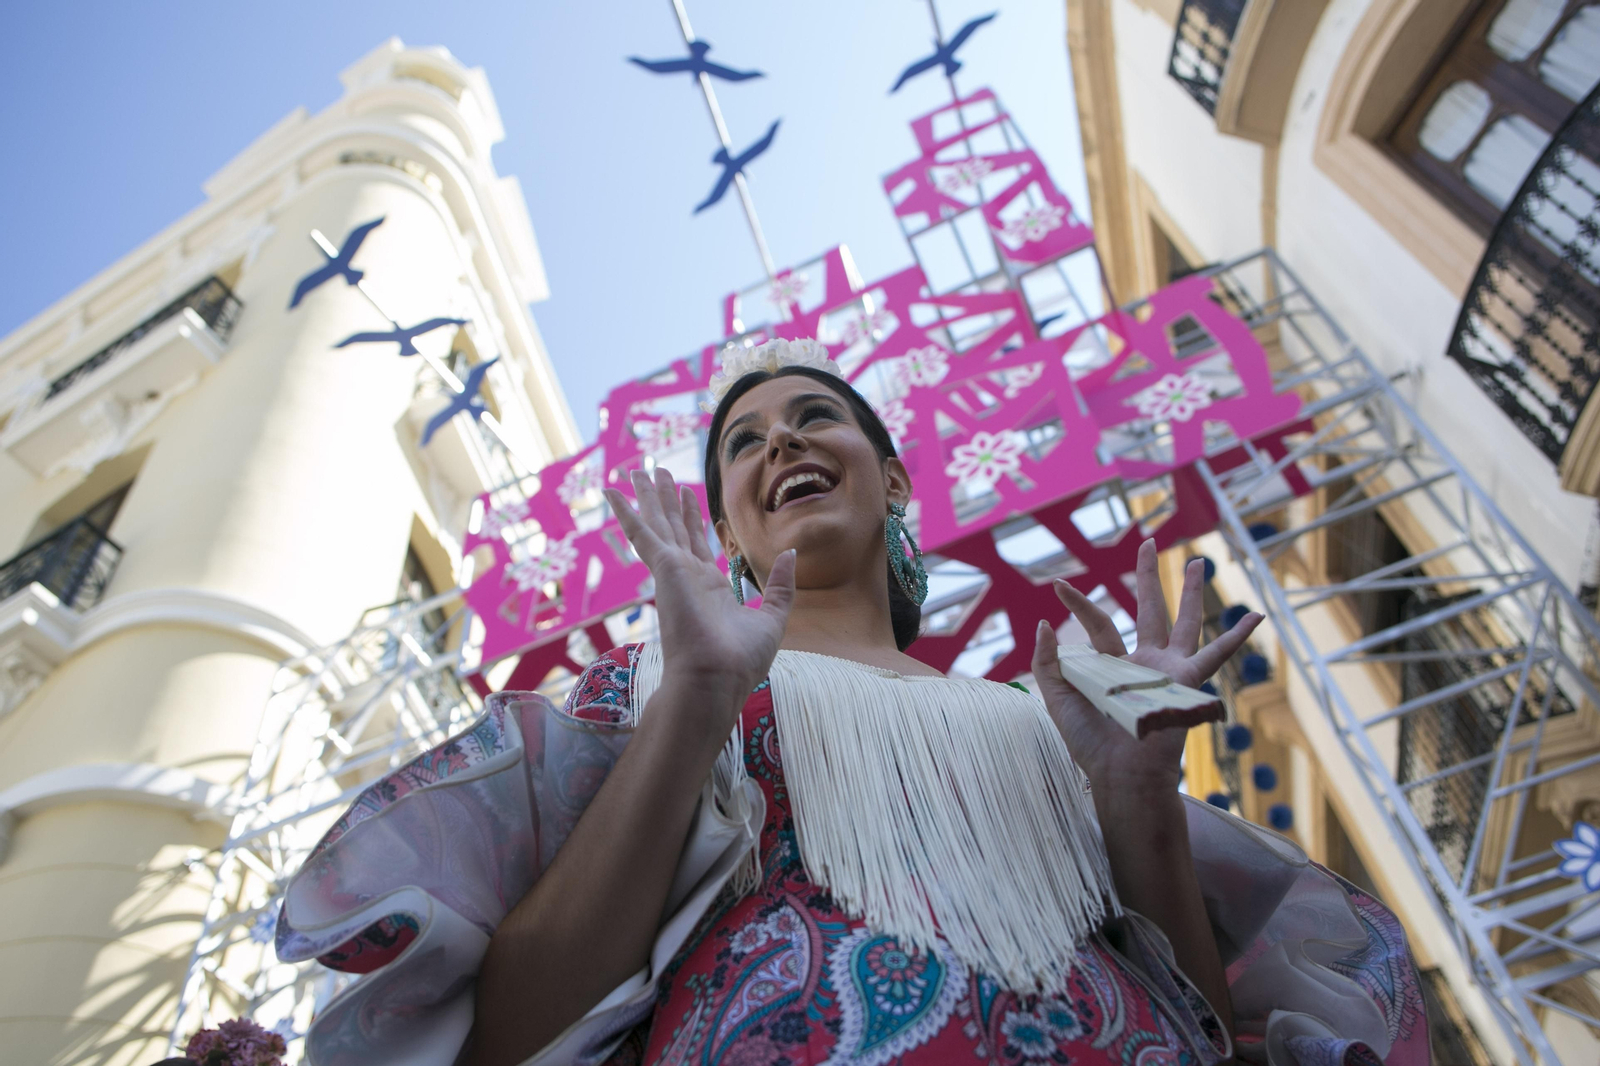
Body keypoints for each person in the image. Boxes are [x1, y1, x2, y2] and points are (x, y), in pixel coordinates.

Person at [279, 339, 1430, 1066]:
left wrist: (1134, 795)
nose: (778, 436)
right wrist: (697, 698)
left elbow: (1201, 1031)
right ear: (731, 532)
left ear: (892, 480)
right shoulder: (646, 690)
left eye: (812, 415)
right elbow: (510, 1039)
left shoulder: (1055, 721)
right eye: (743, 441)